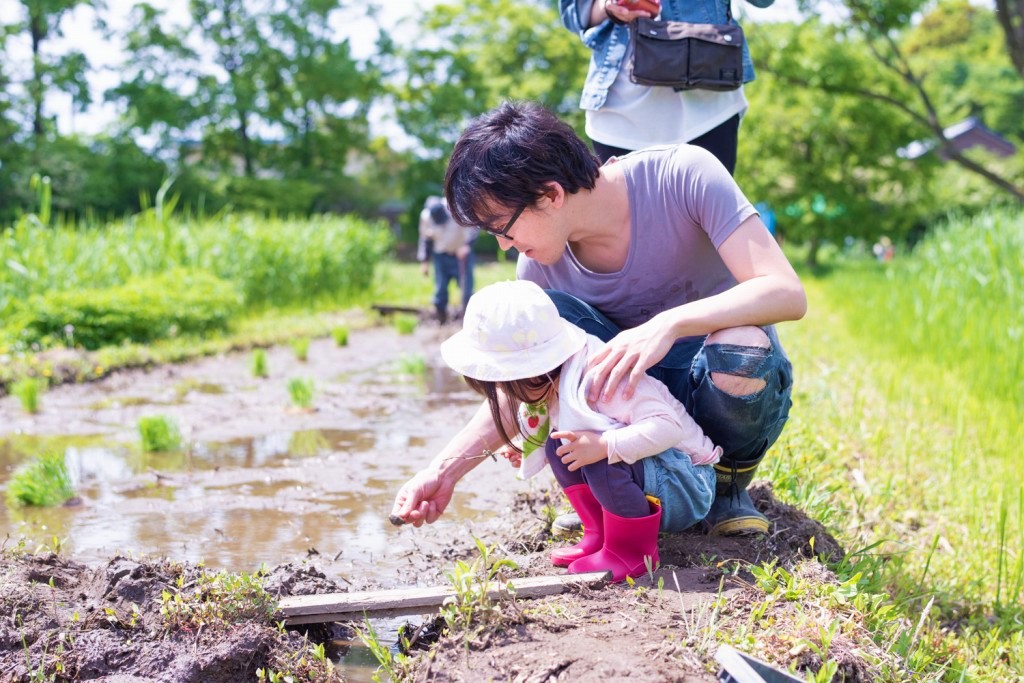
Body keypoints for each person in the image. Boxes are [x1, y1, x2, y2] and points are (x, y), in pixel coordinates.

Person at [392, 101, 806, 537]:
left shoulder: (683, 176)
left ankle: (725, 489)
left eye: (504, 229)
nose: (504, 247)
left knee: (743, 347)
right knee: (552, 310)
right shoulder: (538, 269)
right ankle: (618, 494)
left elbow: (785, 292)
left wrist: (670, 324)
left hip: (713, 381)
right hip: (639, 410)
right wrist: (444, 471)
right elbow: (523, 384)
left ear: (551, 194)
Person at [434, 280, 721, 581]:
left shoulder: (603, 379)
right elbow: (555, 423)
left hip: (688, 482)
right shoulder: (554, 379)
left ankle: (632, 551)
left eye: (510, 386)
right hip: (658, 475)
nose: (511, 398)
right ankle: (600, 534)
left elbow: (669, 428)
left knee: (598, 456)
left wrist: (604, 445)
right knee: (559, 446)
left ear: (537, 371)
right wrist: (527, 445)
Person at [560, 0, 775, 170]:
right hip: (620, 111)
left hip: (709, 102)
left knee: (708, 224)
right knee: (626, 225)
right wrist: (609, 5)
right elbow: (573, 12)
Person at [417, 195, 479, 323]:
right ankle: (441, 321)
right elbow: (426, 239)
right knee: (440, 290)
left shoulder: (457, 209)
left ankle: (468, 322)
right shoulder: (426, 217)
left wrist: (467, 246)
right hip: (440, 257)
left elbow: (475, 227)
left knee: (466, 289)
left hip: (461, 256)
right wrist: (424, 261)